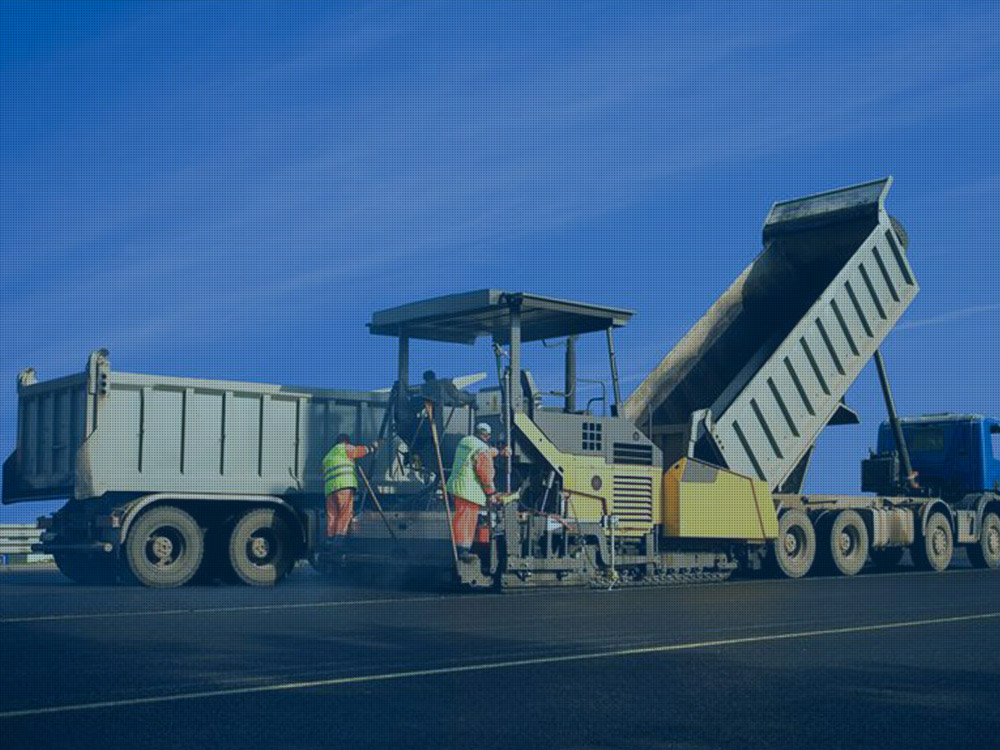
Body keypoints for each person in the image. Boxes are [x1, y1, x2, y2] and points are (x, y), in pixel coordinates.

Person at [445, 422, 510, 563]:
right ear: (487, 436)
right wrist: (491, 494)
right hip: (468, 491)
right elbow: (485, 474)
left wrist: (500, 452)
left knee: (461, 517)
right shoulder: (482, 449)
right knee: (467, 520)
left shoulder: (466, 441)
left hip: (456, 486)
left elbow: (486, 452)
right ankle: (462, 551)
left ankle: (460, 548)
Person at [322, 434, 380, 543]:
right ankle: (339, 538)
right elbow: (361, 451)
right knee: (345, 512)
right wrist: (373, 447)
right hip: (344, 486)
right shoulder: (345, 448)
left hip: (330, 490)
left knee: (332, 514)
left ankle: (330, 538)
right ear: (346, 441)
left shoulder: (328, 456)